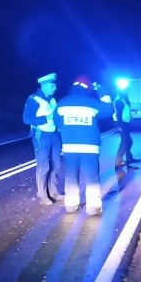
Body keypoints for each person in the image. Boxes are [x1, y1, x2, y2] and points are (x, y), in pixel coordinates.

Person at [55, 76, 113, 215]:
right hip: (90, 148)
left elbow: (57, 123)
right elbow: (109, 109)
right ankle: (93, 207)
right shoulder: (92, 103)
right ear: (87, 89)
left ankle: (71, 205)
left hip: (69, 147)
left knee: (71, 176)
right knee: (91, 176)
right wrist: (101, 90)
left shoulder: (62, 103)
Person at [22, 72, 63, 205]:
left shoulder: (52, 99)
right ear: (44, 86)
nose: (55, 88)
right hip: (41, 135)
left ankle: (54, 192)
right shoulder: (33, 99)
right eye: (52, 85)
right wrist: (46, 118)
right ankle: (43, 195)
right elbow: (26, 119)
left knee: (57, 164)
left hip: (54, 135)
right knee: (43, 165)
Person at [112, 90, 138, 168]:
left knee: (128, 141)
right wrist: (119, 125)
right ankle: (118, 160)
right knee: (125, 141)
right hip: (121, 123)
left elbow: (126, 111)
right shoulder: (119, 100)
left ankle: (129, 158)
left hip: (125, 122)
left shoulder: (123, 99)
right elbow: (118, 113)